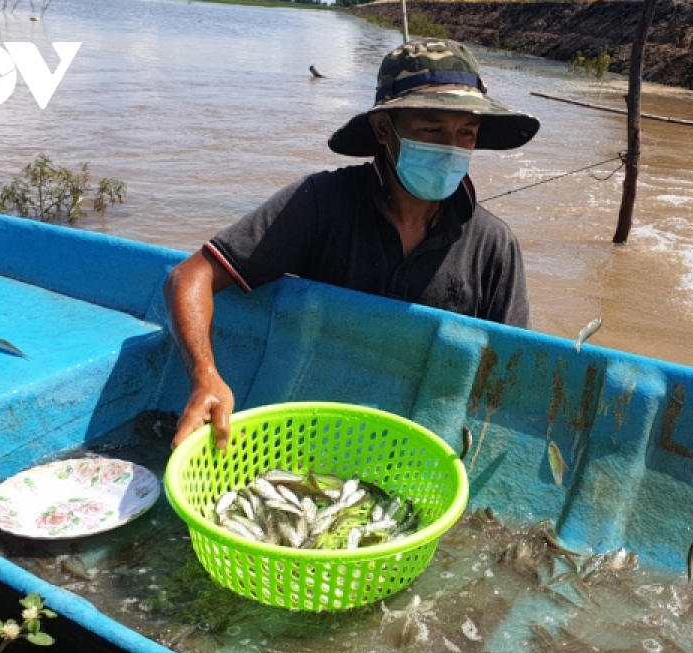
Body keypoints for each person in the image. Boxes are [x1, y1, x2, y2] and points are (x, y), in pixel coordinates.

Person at [165, 39, 541, 450]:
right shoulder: (321, 202)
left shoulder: (492, 244)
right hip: (312, 423)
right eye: (432, 129)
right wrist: (206, 377)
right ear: (384, 129)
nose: (450, 147)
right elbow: (191, 277)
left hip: (422, 441)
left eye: (466, 133)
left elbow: (510, 371)